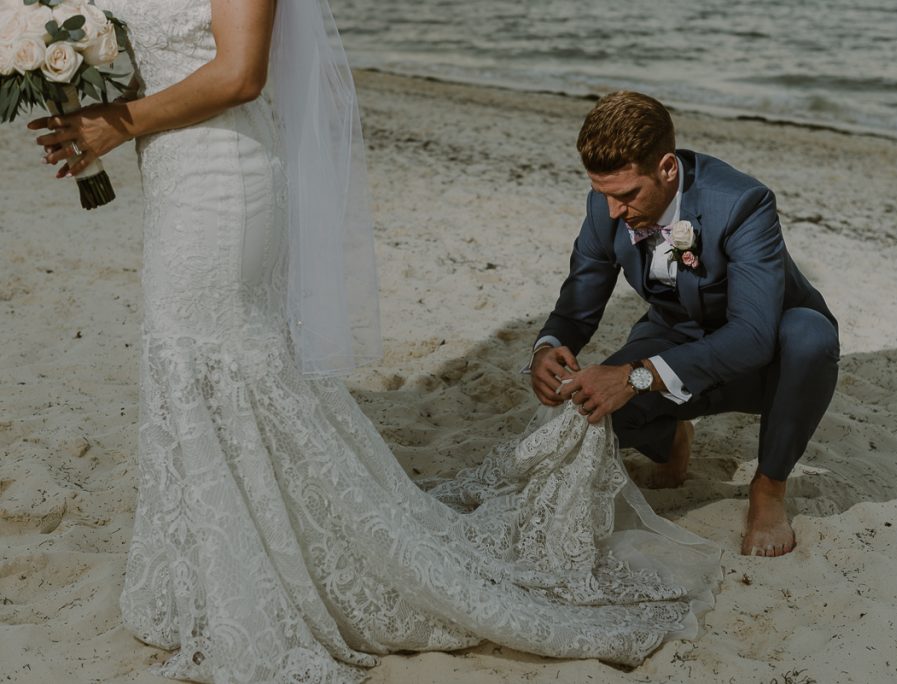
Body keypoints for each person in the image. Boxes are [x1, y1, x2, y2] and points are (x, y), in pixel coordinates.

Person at [30, 2, 720, 682]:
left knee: (218, 355)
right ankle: (212, 567)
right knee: (186, 354)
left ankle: (262, 573)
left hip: (223, 174)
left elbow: (241, 73)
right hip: (173, 168)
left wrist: (111, 126)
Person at [530, 91, 839, 558]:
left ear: (668, 169)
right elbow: (579, 302)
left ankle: (769, 489)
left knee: (810, 336)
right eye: (602, 194)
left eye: (627, 195)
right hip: (675, 333)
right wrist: (548, 346)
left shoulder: (742, 203)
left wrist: (635, 376)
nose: (614, 211)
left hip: (770, 349)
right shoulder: (606, 205)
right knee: (590, 408)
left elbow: (753, 336)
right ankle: (673, 436)